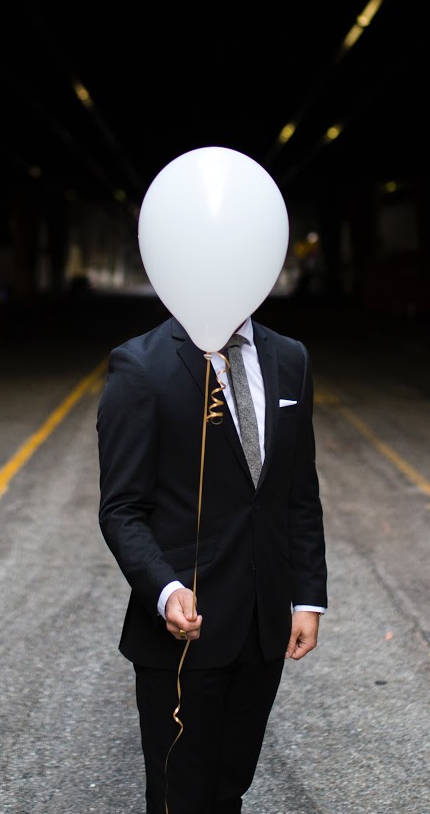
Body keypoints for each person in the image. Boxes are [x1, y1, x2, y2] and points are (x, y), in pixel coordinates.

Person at [97, 312, 328, 813]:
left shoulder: (291, 357)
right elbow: (122, 510)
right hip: (182, 629)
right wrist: (164, 590)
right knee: (178, 799)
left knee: (230, 790)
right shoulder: (140, 365)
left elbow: (298, 492)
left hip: (263, 628)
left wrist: (307, 598)